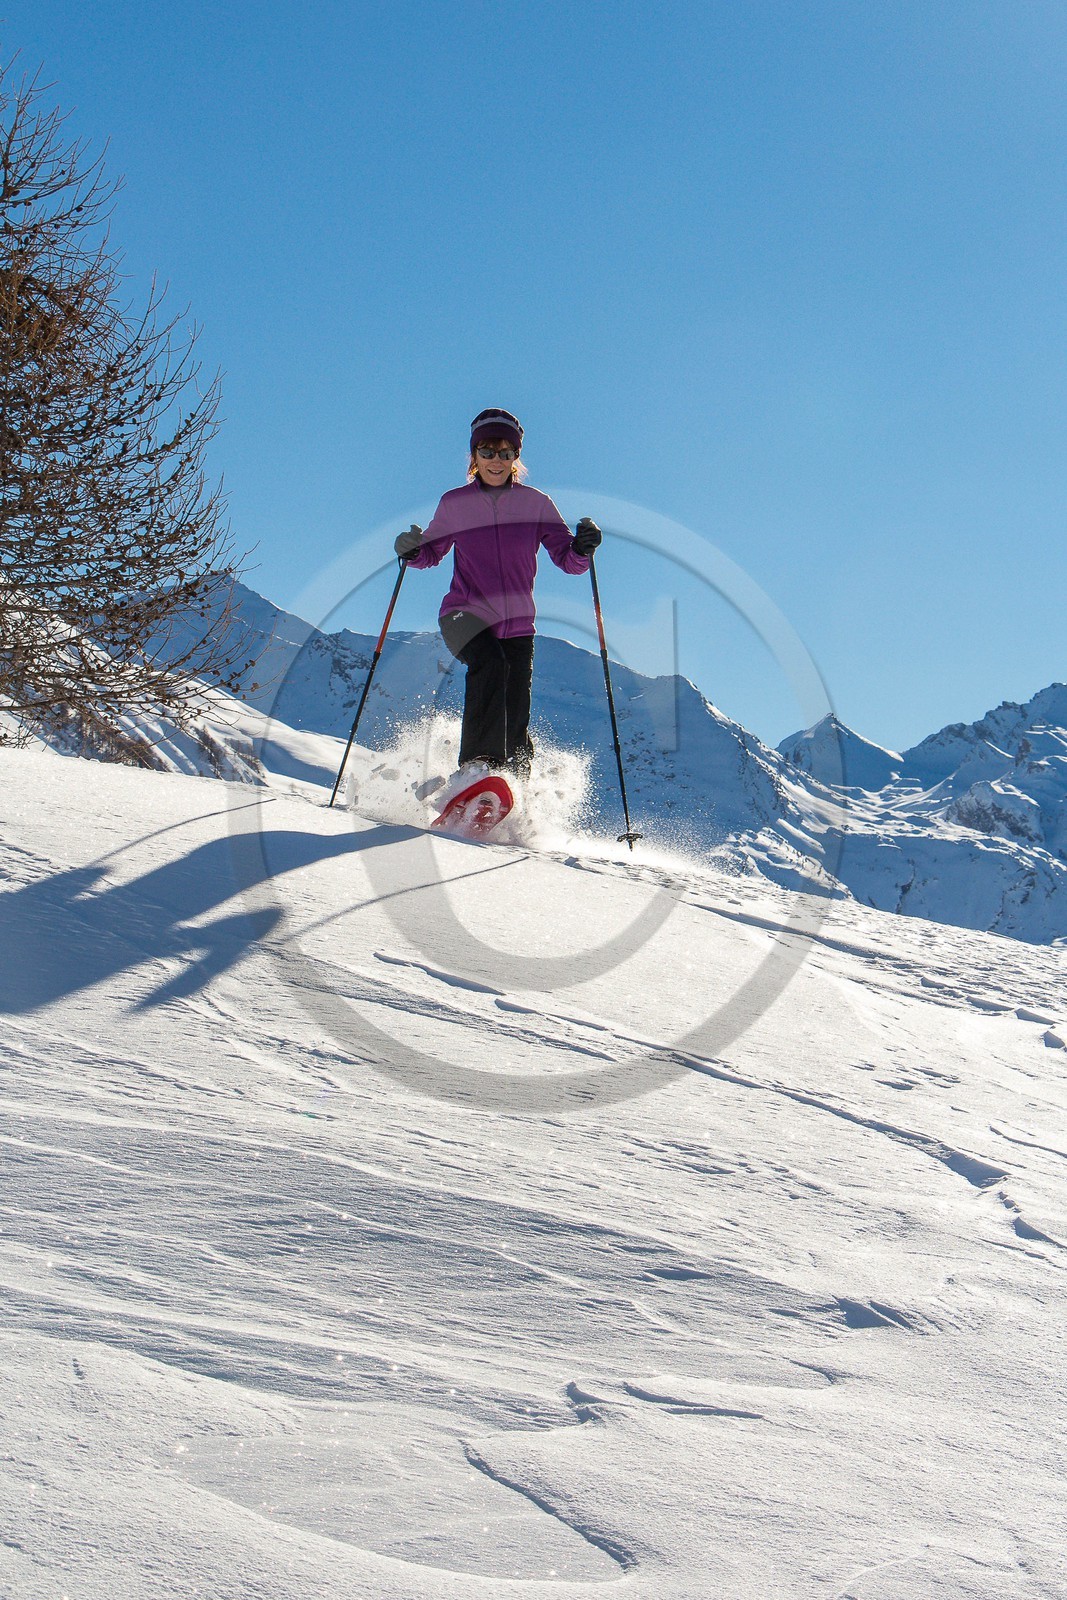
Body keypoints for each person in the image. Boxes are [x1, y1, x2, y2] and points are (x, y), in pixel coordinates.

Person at [394, 408, 601, 777]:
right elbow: (429, 553)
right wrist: (411, 549)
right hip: (462, 613)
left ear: (516, 458)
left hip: (518, 626)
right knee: (490, 665)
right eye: (487, 452)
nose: (496, 460)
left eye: (506, 453)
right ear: (474, 456)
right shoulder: (455, 503)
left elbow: (568, 561)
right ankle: (477, 767)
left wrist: (583, 548)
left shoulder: (536, 503)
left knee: (515, 714)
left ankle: (515, 789)